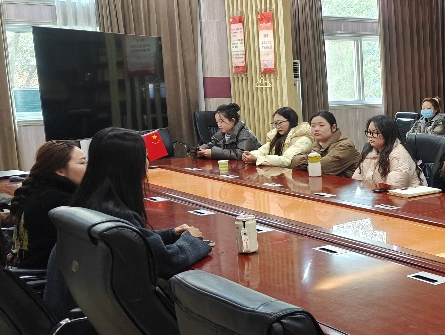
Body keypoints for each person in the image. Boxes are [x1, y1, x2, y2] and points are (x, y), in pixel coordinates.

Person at [44, 128, 212, 320]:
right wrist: (191, 240)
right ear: (131, 165)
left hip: (78, 313)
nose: (148, 162)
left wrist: (170, 234)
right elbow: (166, 262)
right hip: (99, 322)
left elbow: (135, 239)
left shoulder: (90, 200)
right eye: (145, 157)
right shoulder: (115, 212)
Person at [8, 141, 87, 268]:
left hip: (24, 269)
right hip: (45, 275)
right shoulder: (61, 202)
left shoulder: (35, 191)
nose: (88, 168)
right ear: (60, 171)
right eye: (82, 163)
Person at [353, 114, 422, 188]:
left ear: (387, 134)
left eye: (375, 133)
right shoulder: (370, 151)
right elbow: (356, 179)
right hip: (375, 193)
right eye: (369, 132)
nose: (370, 136)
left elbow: (394, 186)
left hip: (402, 194)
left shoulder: (398, 155)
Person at [290, 111, 360, 177]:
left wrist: (312, 160)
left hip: (346, 184)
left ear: (333, 127)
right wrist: (314, 160)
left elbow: (321, 168)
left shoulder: (345, 145)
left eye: (321, 125)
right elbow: (295, 162)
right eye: (313, 126)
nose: (316, 129)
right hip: (325, 182)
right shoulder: (318, 142)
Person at [242, 107, 313, 168]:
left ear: (291, 121)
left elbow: (286, 161)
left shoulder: (303, 139)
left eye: (280, 123)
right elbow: (263, 150)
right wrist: (249, 155)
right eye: (275, 123)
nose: (277, 126)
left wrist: (257, 159)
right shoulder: (277, 137)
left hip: (293, 176)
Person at [196, 103, 261, 160]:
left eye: (221, 121)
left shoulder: (246, 134)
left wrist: (213, 153)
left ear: (232, 121)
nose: (219, 125)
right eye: (217, 122)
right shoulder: (222, 133)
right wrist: (202, 149)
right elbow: (212, 144)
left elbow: (240, 154)